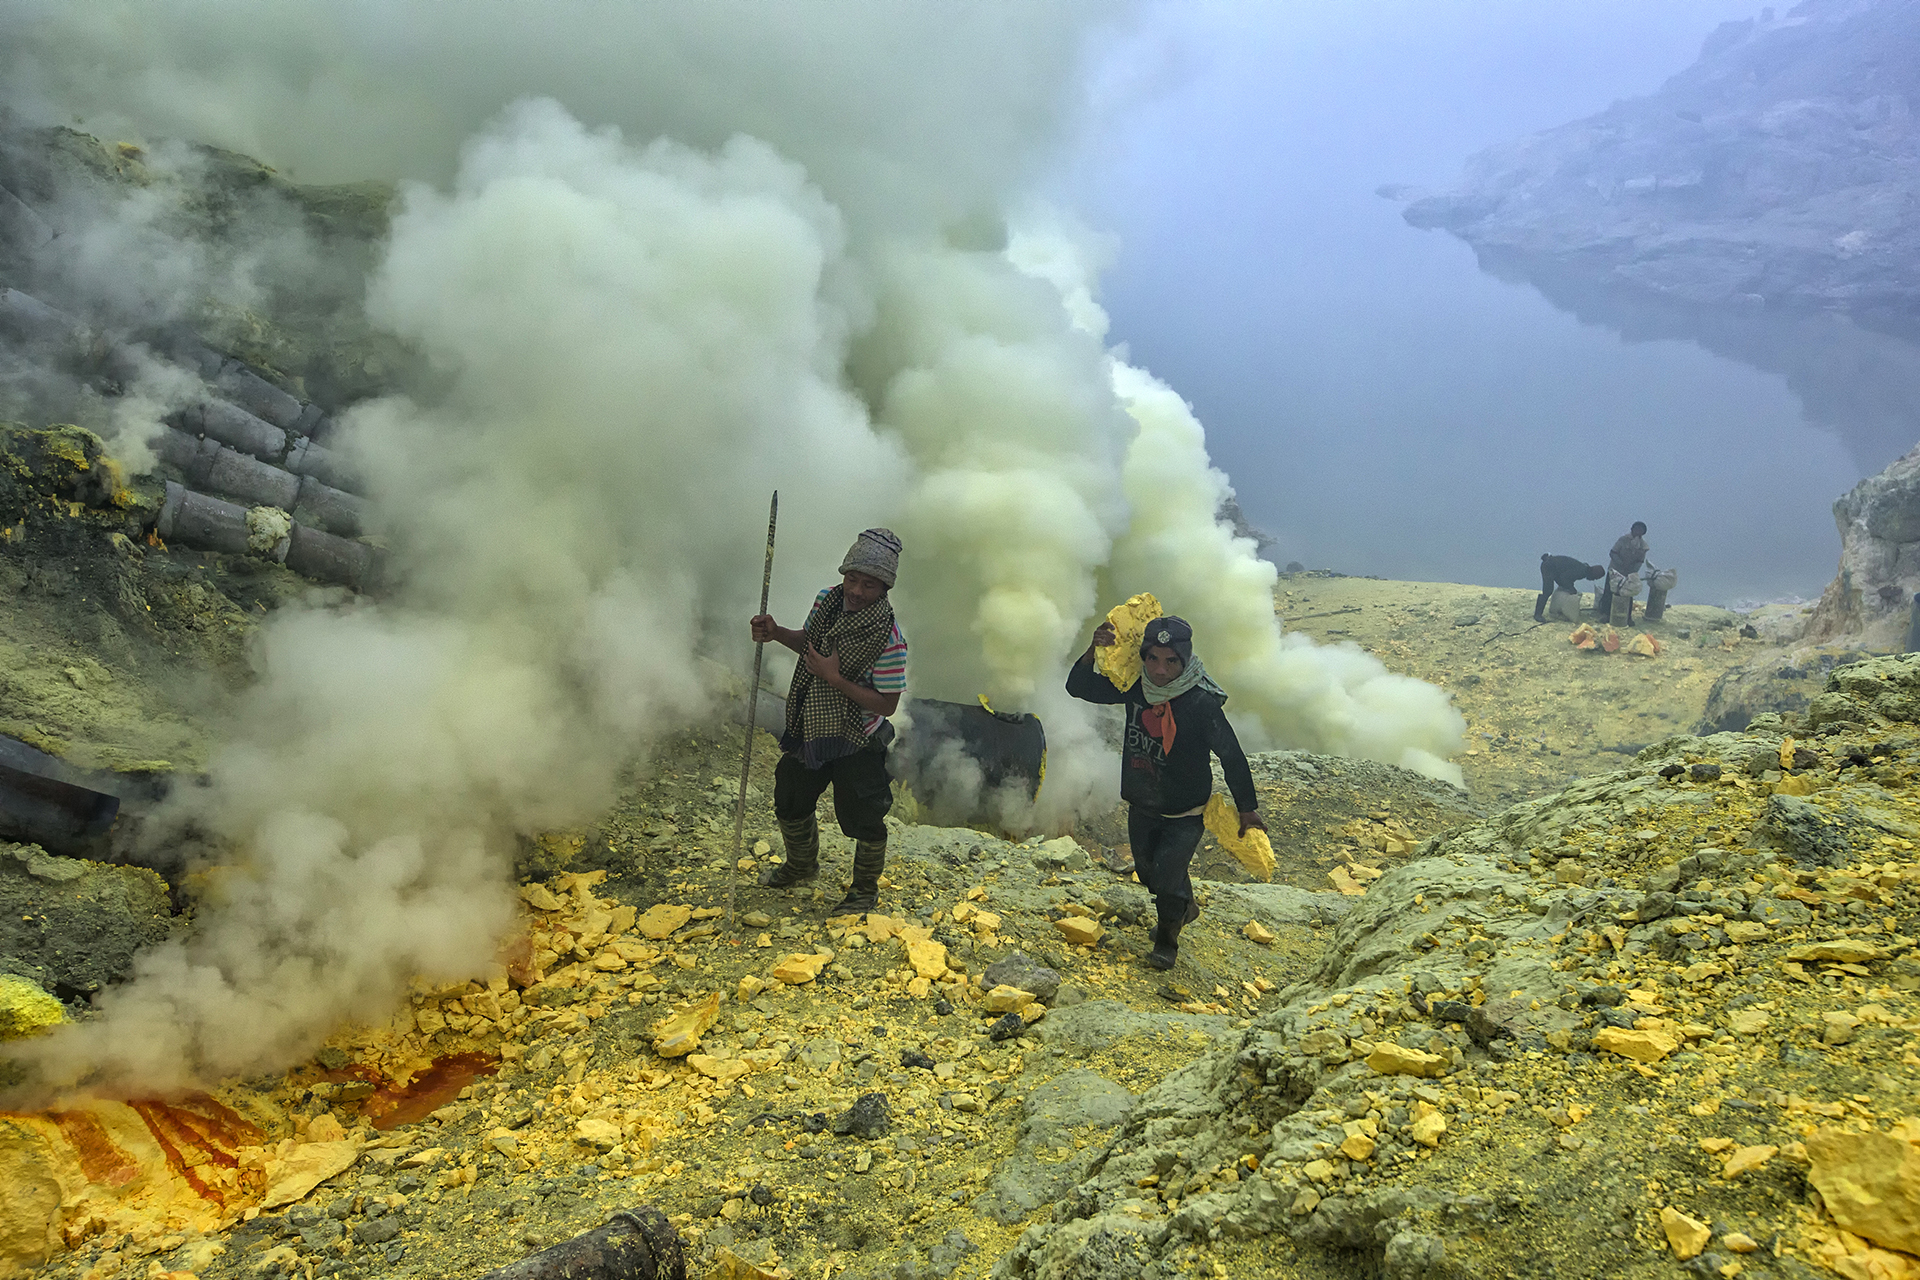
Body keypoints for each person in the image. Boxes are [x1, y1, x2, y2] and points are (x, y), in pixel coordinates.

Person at [1066, 614, 1263, 970]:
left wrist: (1247, 809)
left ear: (1185, 660)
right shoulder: (1135, 687)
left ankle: (1166, 941)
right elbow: (1079, 687)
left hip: (1185, 813)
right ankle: (1185, 906)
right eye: (1152, 658)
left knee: (1168, 878)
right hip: (1142, 804)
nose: (1160, 670)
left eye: (1171, 661)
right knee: (1149, 875)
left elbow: (1231, 755)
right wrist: (1092, 651)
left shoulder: (1201, 703)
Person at [750, 528, 908, 916]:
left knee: (863, 816)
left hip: (858, 739)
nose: (856, 591)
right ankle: (802, 865)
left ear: (884, 588)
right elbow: (808, 642)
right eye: (852, 578)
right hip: (813, 727)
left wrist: (834, 679)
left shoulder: (888, 638)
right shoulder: (827, 601)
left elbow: (887, 705)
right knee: (790, 796)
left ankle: (864, 891)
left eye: (869, 584)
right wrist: (776, 633)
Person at [1599, 522, 1650, 621]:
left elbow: (1640, 561)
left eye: (1641, 530)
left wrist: (1632, 571)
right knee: (1609, 593)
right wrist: (1620, 563)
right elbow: (1613, 553)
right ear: (1632, 529)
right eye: (1636, 529)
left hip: (1629, 574)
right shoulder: (1623, 540)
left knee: (1628, 594)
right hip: (1615, 571)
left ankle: (1627, 617)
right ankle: (1606, 614)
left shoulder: (1643, 546)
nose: (1638, 531)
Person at [1536, 554, 1606, 623]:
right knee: (1548, 591)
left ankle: (1540, 613)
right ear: (1594, 574)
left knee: (1557, 588)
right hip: (1548, 566)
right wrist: (1571, 589)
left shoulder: (1583, 568)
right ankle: (1537, 614)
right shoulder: (1582, 572)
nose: (1593, 580)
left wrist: (1568, 586)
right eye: (1595, 578)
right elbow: (1564, 578)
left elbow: (1566, 577)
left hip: (1551, 565)